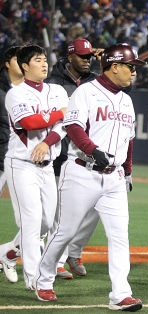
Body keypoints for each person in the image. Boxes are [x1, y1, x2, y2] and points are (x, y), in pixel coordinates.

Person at [36, 43, 145, 311]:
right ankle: (44, 277)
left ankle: (120, 294)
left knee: (120, 236)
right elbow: (73, 127)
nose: (133, 72)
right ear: (114, 66)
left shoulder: (127, 100)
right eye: (130, 67)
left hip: (114, 179)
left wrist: (128, 171)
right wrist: (93, 150)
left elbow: (128, 141)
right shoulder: (86, 92)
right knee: (65, 231)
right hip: (82, 172)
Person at [3, 45, 68, 290]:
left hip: (47, 165)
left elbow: (66, 123)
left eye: (45, 59)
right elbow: (28, 122)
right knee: (31, 221)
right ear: (24, 66)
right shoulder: (15, 93)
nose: (44, 64)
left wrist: (46, 141)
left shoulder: (57, 90)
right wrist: (57, 114)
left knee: (47, 222)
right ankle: (34, 277)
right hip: (22, 165)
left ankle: (9, 253)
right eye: (37, 60)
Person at [44, 38, 102, 280]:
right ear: (70, 57)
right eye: (82, 56)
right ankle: (54, 261)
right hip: (61, 155)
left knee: (96, 208)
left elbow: (124, 88)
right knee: (60, 214)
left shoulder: (95, 81)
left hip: (89, 154)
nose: (87, 60)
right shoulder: (53, 83)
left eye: (89, 56)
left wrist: (105, 62)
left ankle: (74, 252)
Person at [0, 45, 24, 281]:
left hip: (24, 162)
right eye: (20, 59)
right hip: (0, 159)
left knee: (38, 219)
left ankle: (7, 254)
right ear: (8, 63)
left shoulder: (34, 90)